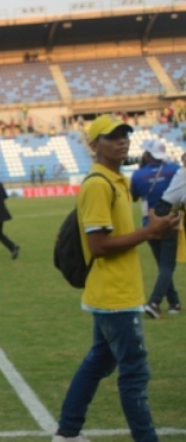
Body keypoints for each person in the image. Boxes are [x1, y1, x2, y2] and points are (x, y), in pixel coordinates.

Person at [53, 116, 178, 442]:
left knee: (98, 362)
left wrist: (157, 228)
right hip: (114, 294)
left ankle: (67, 433)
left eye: (125, 135)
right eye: (112, 137)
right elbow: (99, 245)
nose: (122, 140)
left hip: (115, 292)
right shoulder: (98, 185)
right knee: (135, 374)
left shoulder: (116, 181)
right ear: (94, 146)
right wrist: (150, 231)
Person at [129, 139, 181, 318]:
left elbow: (134, 197)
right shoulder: (174, 169)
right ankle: (154, 302)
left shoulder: (137, 175)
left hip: (148, 224)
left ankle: (174, 302)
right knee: (167, 266)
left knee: (163, 266)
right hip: (169, 221)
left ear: (147, 154)